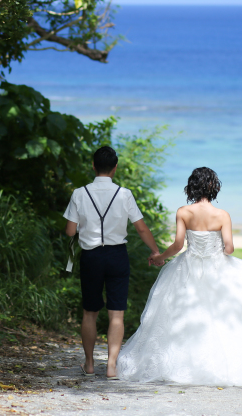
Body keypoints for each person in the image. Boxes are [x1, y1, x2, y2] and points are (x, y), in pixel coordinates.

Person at [116, 167, 242, 386]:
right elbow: (230, 248)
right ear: (213, 187)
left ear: (191, 187)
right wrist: (217, 250)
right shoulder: (222, 215)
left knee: (185, 313)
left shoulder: (183, 212)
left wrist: (160, 257)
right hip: (217, 266)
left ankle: (185, 364)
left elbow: (178, 245)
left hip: (189, 267)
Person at [63, 146, 163, 380]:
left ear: (93, 166)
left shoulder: (79, 194)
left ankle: (89, 365)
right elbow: (141, 228)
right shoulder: (124, 194)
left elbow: (70, 231)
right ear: (115, 168)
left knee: (90, 312)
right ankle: (111, 367)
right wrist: (155, 251)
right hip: (117, 256)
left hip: (91, 257)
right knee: (116, 313)